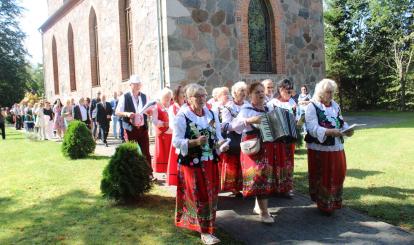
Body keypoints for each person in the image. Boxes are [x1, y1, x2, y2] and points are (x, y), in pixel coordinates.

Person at [172, 83, 228, 245]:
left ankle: (209, 224)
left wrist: (222, 144)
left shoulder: (211, 113)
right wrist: (195, 142)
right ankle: (204, 232)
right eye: (198, 96)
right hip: (192, 164)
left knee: (211, 194)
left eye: (204, 95)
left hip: (210, 160)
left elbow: (217, 136)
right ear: (189, 99)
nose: (202, 99)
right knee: (199, 195)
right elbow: (176, 141)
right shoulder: (183, 116)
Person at [305, 79, 353, 215]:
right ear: (321, 92)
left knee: (339, 172)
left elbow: (340, 121)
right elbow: (312, 127)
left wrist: (347, 129)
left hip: (337, 146)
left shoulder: (335, 105)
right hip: (321, 148)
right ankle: (324, 204)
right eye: (328, 92)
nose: (331, 95)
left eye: (332, 92)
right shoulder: (312, 106)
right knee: (324, 175)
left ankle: (334, 201)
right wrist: (328, 131)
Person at [232, 81, 276, 223]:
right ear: (250, 95)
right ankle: (264, 213)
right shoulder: (246, 109)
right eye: (257, 92)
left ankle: (259, 206)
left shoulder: (269, 108)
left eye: (262, 91)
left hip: (266, 146)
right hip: (252, 147)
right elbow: (234, 126)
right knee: (259, 177)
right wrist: (250, 120)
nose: (261, 94)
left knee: (264, 176)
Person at [116, 74, 152, 174]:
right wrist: (127, 114)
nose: (137, 86)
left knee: (146, 152)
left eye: (138, 84)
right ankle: (131, 174)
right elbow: (117, 112)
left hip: (142, 128)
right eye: (135, 84)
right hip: (130, 128)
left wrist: (150, 112)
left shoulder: (144, 96)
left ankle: (148, 173)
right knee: (131, 152)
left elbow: (148, 110)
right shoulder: (125, 97)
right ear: (130, 85)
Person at [267, 79, 297, 197]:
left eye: (290, 89)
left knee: (289, 162)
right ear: (280, 90)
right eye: (287, 89)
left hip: (290, 137)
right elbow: (269, 120)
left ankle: (287, 187)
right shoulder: (272, 103)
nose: (289, 92)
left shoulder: (292, 103)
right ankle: (276, 187)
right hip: (278, 138)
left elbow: (296, 117)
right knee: (278, 162)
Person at [220, 81, 247, 197]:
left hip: (246, 137)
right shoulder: (228, 107)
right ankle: (234, 188)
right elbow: (224, 125)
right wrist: (237, 125)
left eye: (245, 91)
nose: (244, 93)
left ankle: (244, 186)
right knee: (233, 163)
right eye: (241, 91)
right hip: (233, 138)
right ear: (234, 93)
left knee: (244, 162)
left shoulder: (247, 105)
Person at [166, 85, 186, 186]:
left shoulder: (187, 106)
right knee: (176, 157)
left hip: (187, 135)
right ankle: (177, 179)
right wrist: (181, 128)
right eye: (182, 92)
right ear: (177, 95)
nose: (184, 95)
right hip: (178, 135)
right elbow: (171, 124)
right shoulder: (172, 108)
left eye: (184, 92)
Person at [152, 88, 173, 173]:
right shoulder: (157, 107)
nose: (167, 98)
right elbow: (154, 121)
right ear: (162, 97)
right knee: (163, 152)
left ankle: (170, 169)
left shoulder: (172, 105)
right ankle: (163, 170)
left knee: (170, 152)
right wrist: (164, 124)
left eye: (169, 96)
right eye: (165, 97)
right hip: (162, 133)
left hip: (171, 132)